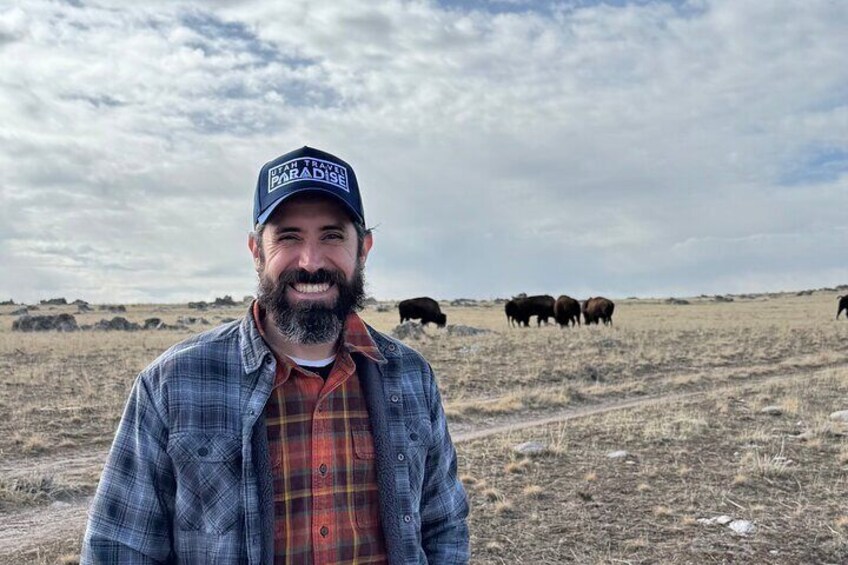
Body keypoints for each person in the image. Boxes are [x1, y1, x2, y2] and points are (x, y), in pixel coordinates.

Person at [81, 146, 470, 564]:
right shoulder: (172, 383)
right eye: (288, 237)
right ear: (256, 250)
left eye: (332, 235)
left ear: (363, 249)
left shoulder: (410, 376)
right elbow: (117, 550)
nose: (310, 261)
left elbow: (444, 527)